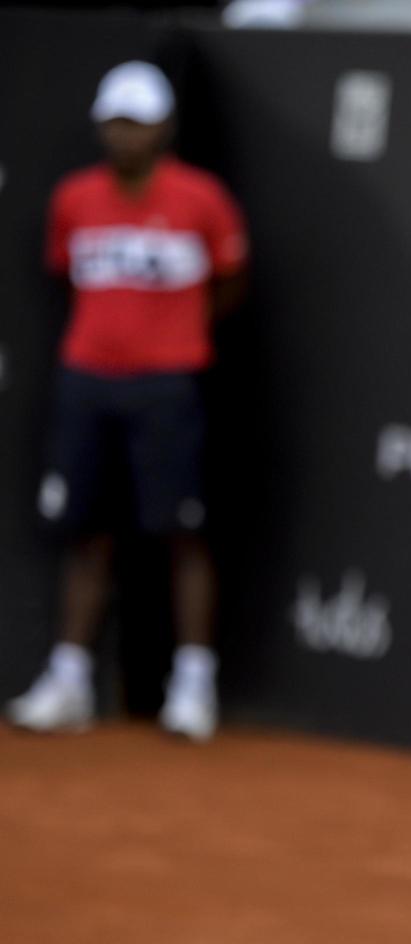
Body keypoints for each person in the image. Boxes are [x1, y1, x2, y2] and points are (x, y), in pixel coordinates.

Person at [6, 61, 248, 742]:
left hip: (169, 385)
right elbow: (64, 274)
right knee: (87, 533)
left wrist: (174, 335)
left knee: (183, 534)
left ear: (164, 128)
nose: (124, 135)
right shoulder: (74, 199)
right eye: (114, 121)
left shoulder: (201, 199)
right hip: (86, 380)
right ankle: (70, 679)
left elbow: (230, 281)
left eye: (137, 122)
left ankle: (193, 685)